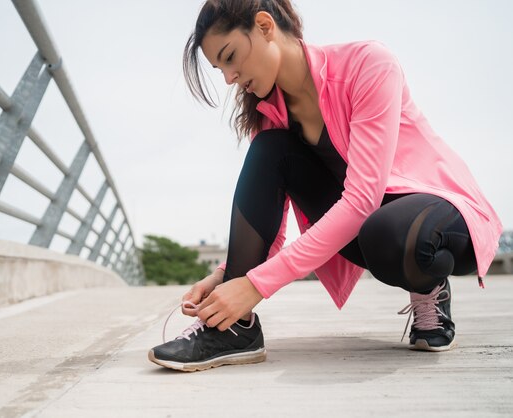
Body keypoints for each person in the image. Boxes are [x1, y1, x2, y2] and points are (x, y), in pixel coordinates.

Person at [148, 0, 502, 372]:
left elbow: (363, 199)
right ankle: (232, 328)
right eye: (220, 69)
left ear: (265, 26)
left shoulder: (368, 63)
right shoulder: (271, 116)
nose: (229, 78)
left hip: (441, 214)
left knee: (390, 233)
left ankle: (430, 288)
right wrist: (228, 277)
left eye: (230, 57)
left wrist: (255, 286)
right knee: (270, 150)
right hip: (369, 229)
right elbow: (273, 230)